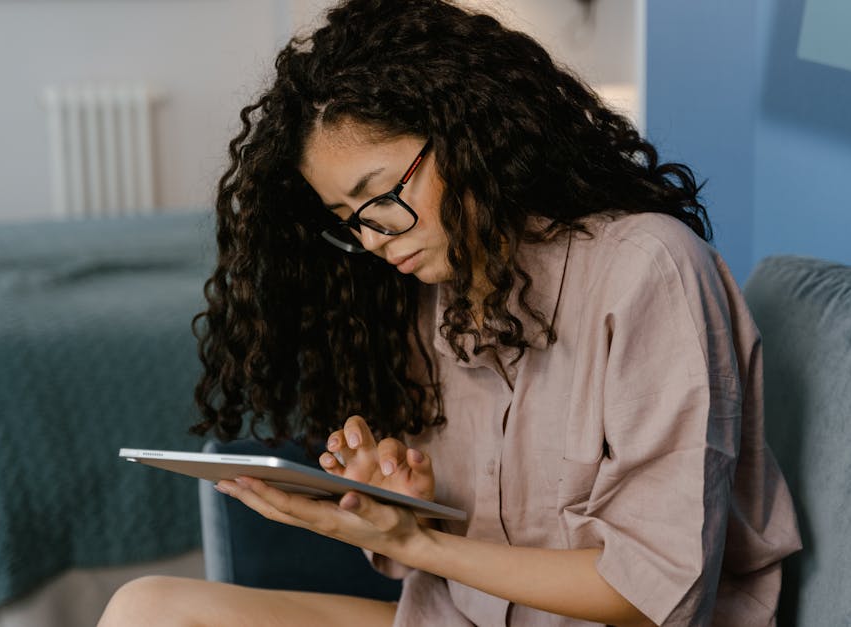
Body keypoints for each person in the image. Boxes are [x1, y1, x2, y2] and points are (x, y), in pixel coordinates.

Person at [99, 0, 802, 625]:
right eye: (349, 219)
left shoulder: (650, 270)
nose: (375, 237)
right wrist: (398, 506)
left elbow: (655, 597)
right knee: (146, 607)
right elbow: (445, 562)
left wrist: (417, 540)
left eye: (380, 196)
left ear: (468, 131)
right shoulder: (436, 296)